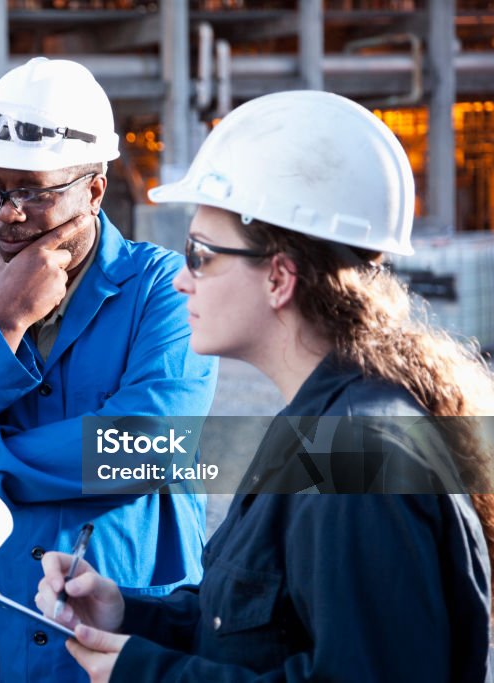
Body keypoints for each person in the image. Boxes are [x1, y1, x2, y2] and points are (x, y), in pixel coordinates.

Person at [35, 90, 494, 682]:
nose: (180, 280)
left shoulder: (360, 458)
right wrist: (128, 613)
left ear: (279, 276)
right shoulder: (318, 428)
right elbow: (253, 628)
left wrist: (146, 674)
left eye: (200, 255)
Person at [0, 57, 218, 682]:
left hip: (126, 630)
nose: (7, 212)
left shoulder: (162, 290)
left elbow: (153, 444)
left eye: (33, 190)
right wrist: (2, 324)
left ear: (94, 188)